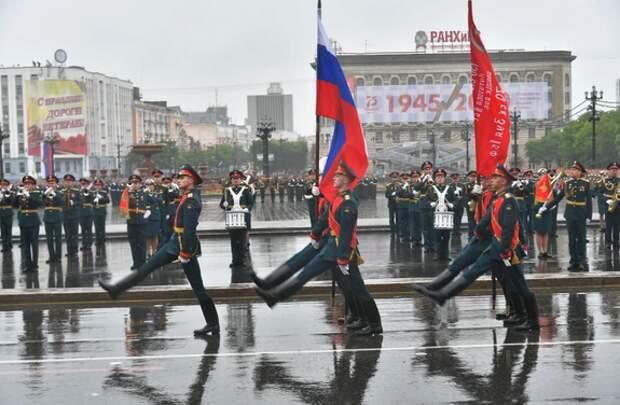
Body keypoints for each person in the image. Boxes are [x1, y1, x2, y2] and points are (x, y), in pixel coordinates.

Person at [255, 162, 382, 336]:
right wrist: (315, 234)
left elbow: (346, 233)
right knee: (306, 273)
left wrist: (344, 258)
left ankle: (374, 324)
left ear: (346, 180)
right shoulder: (338, 198)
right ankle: (275, 296)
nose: (334, 178)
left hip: (343, 251)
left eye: (338, 175)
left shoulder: (348, 202)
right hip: (331, 247)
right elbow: (325, 218)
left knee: (358, 288)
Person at [99, 164, 220, 336]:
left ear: (191, 180)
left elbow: (189, 230)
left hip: (181, 245)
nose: (179, 180)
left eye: (182, 177)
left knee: (194, 286)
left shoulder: (192, 199)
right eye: (178, 177)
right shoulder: (188, 196)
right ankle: (117, 289)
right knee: (150, 266)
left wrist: (185, 253)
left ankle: (117, 289)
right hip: (176, 242)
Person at [415, 164, 539, 331]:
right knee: (474, 272)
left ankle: (532, 320)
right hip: (496, 245)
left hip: (508, 250)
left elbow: (509, 230)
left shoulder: (509, 201)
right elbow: (487, 220)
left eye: (495, 178)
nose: (492, 180)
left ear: (504, 181)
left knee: (518, 284)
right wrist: (479, 230)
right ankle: (443, 295)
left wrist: (505, 251)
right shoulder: (499, 198)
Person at [540, 161, 591, 271]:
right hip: (570, 214)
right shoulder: (567, 183)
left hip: (581, 213)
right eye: (572, 169)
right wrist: (546, 207)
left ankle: (581, 261)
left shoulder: (585, 183)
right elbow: (558, 198)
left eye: (575, 170)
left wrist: (589, 216)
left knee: (581, 239)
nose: (572, 171)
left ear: (580, 172)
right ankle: (573, 261)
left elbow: (589, 201)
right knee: (572, 239)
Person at [220, 170, 253, 269]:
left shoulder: (246, 190)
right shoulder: (227, 191)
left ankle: (242, 260)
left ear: (241, 179)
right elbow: (221, 204)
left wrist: (247, 208)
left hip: (243, 217)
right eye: (233, 179)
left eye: (237, 179)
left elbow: (251, 202)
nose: (235, 180)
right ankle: (235, 260)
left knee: (242, 240)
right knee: (233, 241)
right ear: (231, 180)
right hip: (232, 218)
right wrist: (224, 205)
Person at [14, 176, 42, 272]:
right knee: (26, 245)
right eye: (25, 184)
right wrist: (17, 195)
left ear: (33, 185)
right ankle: (28, 265)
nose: (27, 185)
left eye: (29, 184)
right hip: (23, 221)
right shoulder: (21, 194)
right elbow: (14, 205)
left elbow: (39, 204)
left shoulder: (37, 193)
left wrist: (29, 196)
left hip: (33, 221)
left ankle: (34, 264)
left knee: (34, 244)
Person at [428, 168, 456, 261]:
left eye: (442, 177)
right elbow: (426, 199)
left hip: (447, 214)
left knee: (446, 235)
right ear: (435, 178)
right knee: (437, 235)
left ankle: (446, 254)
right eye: (438, 177)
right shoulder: (431, 189)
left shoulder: (449, 188)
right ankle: (438, 254)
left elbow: (456, 199)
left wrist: (453, 204)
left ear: (444, 178)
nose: (440, 178)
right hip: (436, 214)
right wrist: (430, 204)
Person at [126, 175, 150, 270]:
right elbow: (123, 204)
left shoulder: (145, 193)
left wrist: (149, 212)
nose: (134, 185)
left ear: (140, 184)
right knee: (133, 243)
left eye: (136, 183)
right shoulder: (127, 194)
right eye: (132, 183)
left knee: (142, 242)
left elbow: (156, 201)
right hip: (131, 221)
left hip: (141, 221)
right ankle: (136, 262)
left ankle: (143, 262)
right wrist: (129, 191)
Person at [43, 175, 64, 263]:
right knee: (49, 239)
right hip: (47, 217)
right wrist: (45, 195)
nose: (51, 185)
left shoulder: (60, 193)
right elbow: (41, 203)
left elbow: (62, 202)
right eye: (49, 183)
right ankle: (51, 256)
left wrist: (55, 194)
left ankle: (58, 256)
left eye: (53, 183)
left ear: (56, 184)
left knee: (58, 238)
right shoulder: (45, 193)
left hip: (57, 217)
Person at [62, 174, 82, 257]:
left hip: (74, 215)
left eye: (69, 181)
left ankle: (74, 250)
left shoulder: (77, 192)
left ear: (73, 182)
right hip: (65, 215)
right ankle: (69, 250)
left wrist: (74, 203)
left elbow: (81, 202)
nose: (68, 183)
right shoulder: (62, 192)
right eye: (66, 181)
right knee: (67, 234)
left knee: (74, 233)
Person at [602, 162, 620, 249]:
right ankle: (608, 242)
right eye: (612, 169)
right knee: (608, 225)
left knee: (617, 225)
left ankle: (616, 242)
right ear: (608, 171)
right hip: (608, 205)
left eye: (616, 169)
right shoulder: (604, 181)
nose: (614, 171)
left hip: (618, 205)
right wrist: (606, 201)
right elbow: (599, 193)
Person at [144, 178, 163, 258]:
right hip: (147, 217)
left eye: (151, 185)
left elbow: (159, 201)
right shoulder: (144, 194)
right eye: (148, 185)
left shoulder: (158, 193)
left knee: (155, 235)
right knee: (147, 236)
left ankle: (155, 251)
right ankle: (148, 252)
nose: (150, 187)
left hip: (155, 216)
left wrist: (148, 195)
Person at [78, 177, 95, 251]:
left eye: (84, 184)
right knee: (83, 230)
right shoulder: (79, 192)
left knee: (89, 229)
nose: (83, 185)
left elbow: (91, 198)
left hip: (88, 212)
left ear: (87, 184)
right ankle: (84, 244)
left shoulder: (90, 192)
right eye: (82, 184)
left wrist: (87, 190)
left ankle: (89, 244)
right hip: (81, 212)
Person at [92, 179, 110, 246]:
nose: (98, 186)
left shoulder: (104, 192)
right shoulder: (92, 192)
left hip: (102, 211)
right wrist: (94, 200)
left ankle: (102, 239)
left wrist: (101, 198)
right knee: (96, 226)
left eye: (99, 185)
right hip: (95, 211)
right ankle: (97, 240)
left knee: (102, 226)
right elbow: (90, 201)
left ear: (101, 186)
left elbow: (108, 201)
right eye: (96, 185)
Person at [0, 178, 15, 253]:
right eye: (2, 185)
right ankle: (4, 246)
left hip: (8, 213)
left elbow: (12, 202)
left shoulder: (10, 193)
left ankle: (9, 245)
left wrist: (7, 193)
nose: (3, 186)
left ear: (7, 185)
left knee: (8, 230)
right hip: (1, 213)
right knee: (3, 231)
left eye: (5, 185)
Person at [384, 171, 400, 236]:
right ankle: (392, 232)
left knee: (398, 218)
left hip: (398, 204)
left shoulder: (400, 185)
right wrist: (392, 194)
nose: (394, 179)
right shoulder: (388, 186)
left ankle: (398, 232)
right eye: (393, 177)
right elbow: (386, 195)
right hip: (391, 204)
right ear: (391, 178)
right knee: (391, 219)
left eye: (395, 177)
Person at [450, 173, 465, 237]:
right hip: (453, 205)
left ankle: (457, 231)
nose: (455, 180)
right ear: (451, 179)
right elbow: (449, 196)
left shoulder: (462, 185)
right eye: (454, 179)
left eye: (456, 179)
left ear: (458, 179)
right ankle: (454, 231)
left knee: (459, 219)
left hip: (460, 205)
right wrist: (454, 194)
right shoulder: (449, 186)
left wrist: (461, 196)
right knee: (453, 219)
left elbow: (465, 194)